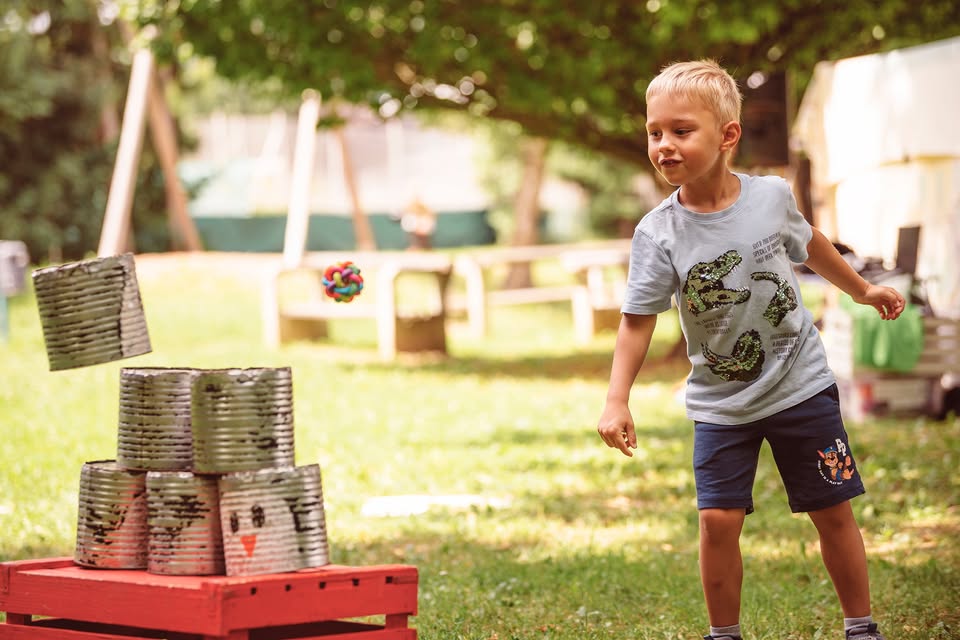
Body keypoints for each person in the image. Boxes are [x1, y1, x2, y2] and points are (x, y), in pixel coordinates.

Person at [596, 60, 903, 640]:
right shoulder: (657, 233)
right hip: (721, 403)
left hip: (800, 384)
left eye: (680, 131)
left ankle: (861, 628)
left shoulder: (769, 197)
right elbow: (637, 322)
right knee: (716, 521)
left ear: (727, 135)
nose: (663, 145)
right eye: (654, 132)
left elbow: (808, 242)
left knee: (832, 510)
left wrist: (862, 289)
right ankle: (724, 635)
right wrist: (617, 400)